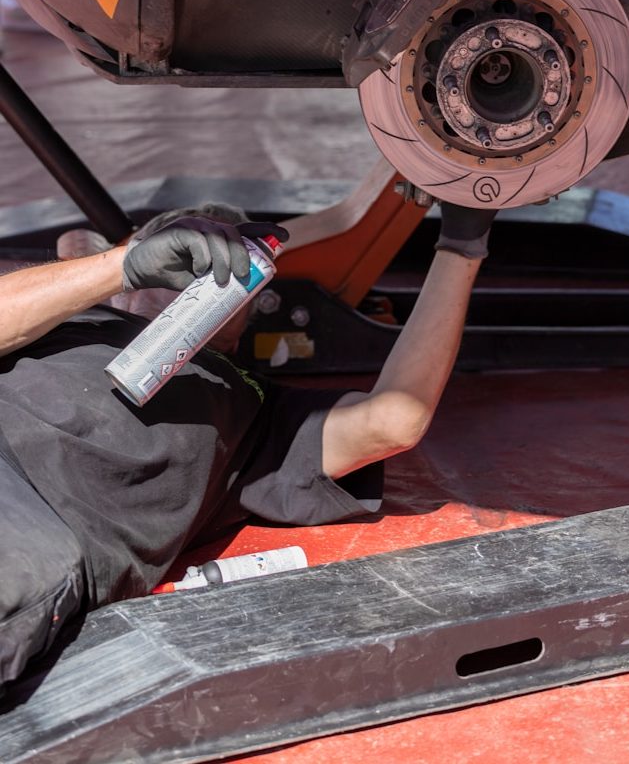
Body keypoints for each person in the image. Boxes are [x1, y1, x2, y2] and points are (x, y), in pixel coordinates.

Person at [0, 200, 495, 688]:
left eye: (238, 267)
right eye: (186, 251)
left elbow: (395, 419)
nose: (206, 271)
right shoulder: (56, 313)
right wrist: (120, 267)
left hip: (36, 526)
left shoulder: (257, 409)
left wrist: (461, 245)